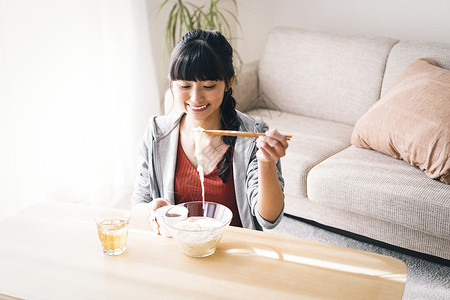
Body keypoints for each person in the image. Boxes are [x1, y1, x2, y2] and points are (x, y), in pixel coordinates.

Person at [132, 29, 289, 231]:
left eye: (208, 86)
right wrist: (151, 209)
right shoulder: (157, 134)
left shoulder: (253, 135)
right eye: (185, 86)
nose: (196, 98)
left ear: (228, 82)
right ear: (172, 83)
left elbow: (269, 219)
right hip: (180, 249)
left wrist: (266, 162)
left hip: (235, 253)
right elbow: (137, 207)